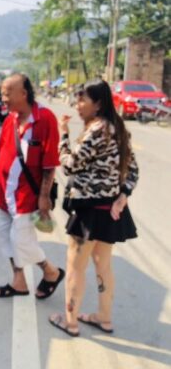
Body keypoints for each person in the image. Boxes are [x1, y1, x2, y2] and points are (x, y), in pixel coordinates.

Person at [49, 79, 139, 337]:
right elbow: (133, 171)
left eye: (82, 100)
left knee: (76, 266)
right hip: (109, 210)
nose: (77, 105)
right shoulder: (118, 128)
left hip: (88, 210)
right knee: (103, 266)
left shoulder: (96, 130)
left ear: (97, 104)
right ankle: (104, 318)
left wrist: (63, 134)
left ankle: (70, 322)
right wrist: (123, 195)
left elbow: (70, 165)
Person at [0, 73, 64, 298]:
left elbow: (49, 164)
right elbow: (1, 151)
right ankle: (19, 282)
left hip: (26, 196)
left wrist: (44, 196)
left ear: (23, 93)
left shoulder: (45, 119)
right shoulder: (10, 119)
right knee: (6, 238)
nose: (3, 98)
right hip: (4, 193)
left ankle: (51, 272)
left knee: (22, 241)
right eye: (2, 94)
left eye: (7, 93)